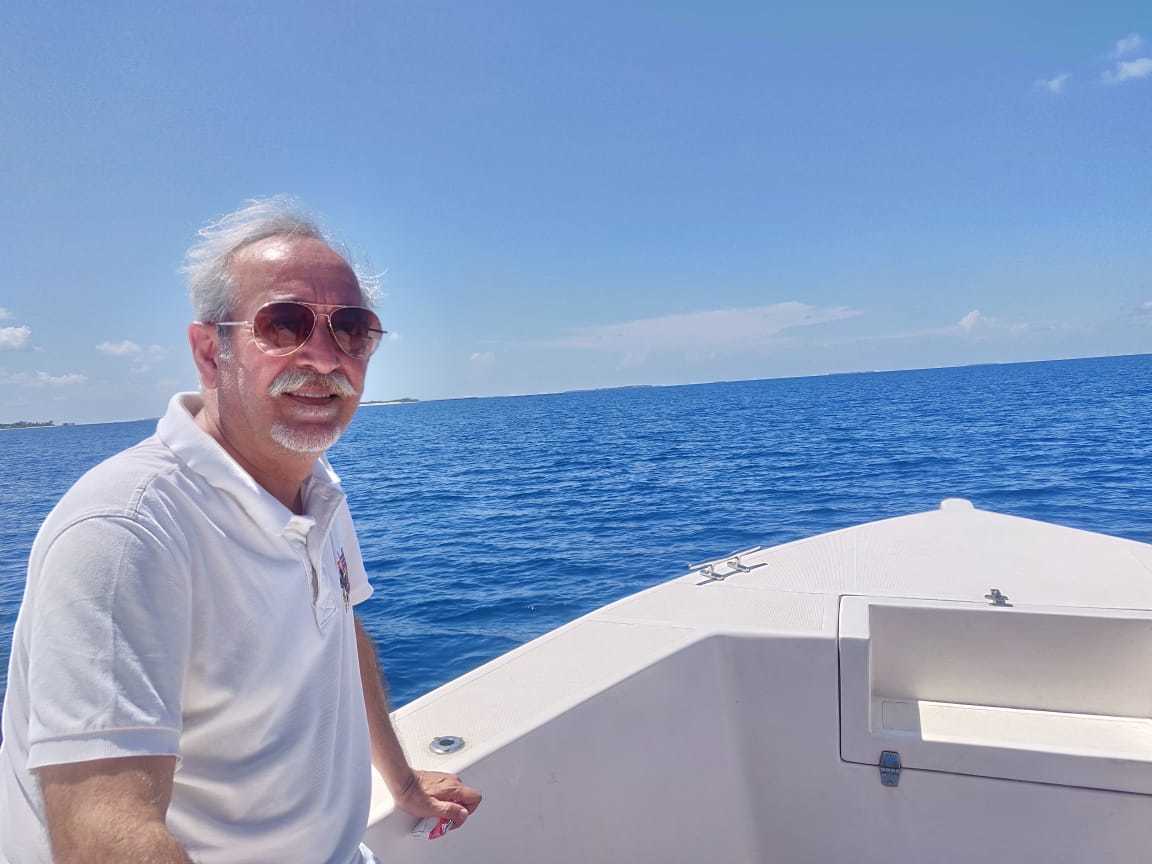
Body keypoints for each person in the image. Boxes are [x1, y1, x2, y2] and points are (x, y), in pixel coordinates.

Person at [0, 199, 482, 863]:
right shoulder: (126, 530)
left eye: (352, 329)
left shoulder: (316, 490)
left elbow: (339, 632)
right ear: (210, 351)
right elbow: (104, 836)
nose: (324, 357)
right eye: (283, 324)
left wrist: (400, 782)